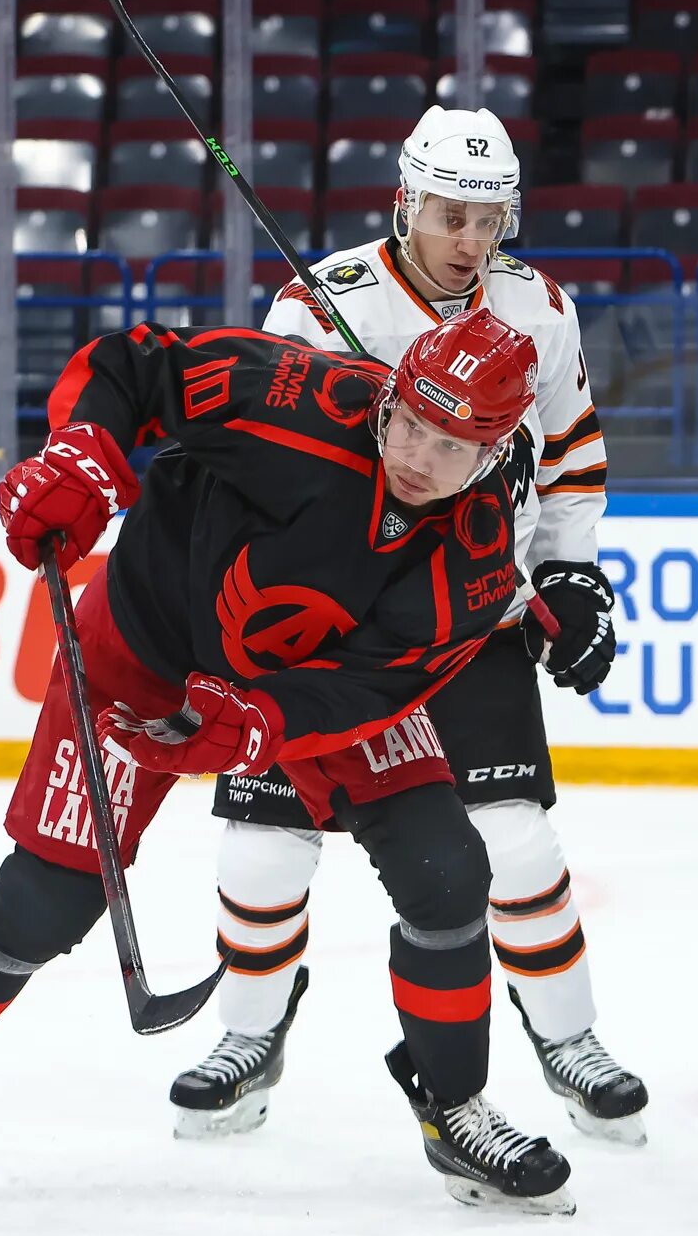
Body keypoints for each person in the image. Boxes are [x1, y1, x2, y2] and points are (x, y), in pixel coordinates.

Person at [0, 307, 582, 1213]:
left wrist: (262, 721)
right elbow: (138, 365)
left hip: (307, 691)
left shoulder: (481, 553)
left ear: (496, 453)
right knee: (44, 899)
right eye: (410, 422)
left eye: (451, 446)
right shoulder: (305, 399)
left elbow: (378, 687)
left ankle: (454, 1106)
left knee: (447, 873)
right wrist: (84, 455)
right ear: (392, 395)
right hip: (135, 654)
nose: (418, 454)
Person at [166, 105, 647, 1147]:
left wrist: (569, 572)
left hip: (469, 611)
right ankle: (247, 1034)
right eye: (447, 214)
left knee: (516, 842)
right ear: (403, 199)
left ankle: (569, 1036)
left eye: (489, 218)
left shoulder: (539, 309)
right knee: (260, 850)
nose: (469, 241)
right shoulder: (315, 306)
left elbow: (567, 454)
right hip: (325, 625)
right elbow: (254, 463)